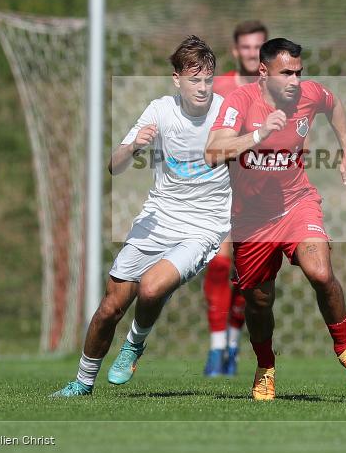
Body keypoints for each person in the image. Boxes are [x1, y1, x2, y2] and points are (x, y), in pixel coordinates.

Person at [50, 35, 231, 397]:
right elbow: (114, 165)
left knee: (151, 287)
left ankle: (134, 344)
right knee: (110, 307)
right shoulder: (160, 110)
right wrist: (134, 145)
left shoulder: (227, 112)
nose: (202, 87)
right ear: (176, 79)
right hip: (157, 219)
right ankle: (82, 383)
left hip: (204, 227)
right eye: (194, 79)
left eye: (208, 79)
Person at [205, 37, 346, 401]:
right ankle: (265, 366)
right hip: (252, 220)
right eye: (286, 73)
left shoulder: (309, 94)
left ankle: (345, 347)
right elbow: (213, 151)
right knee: (258, 302)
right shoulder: (240, 101)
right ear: (263, 72)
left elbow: (335, 105)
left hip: (297, 204)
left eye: (298, 72)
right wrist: (259, 133)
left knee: (320, 271)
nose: (295, 80)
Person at [201, 20, 269, 377]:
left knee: (248, 273)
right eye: (246, 47)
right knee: (218, 264)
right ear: (235, 50)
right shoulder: (220, 87)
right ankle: (216, 350)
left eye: (258, 46)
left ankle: (232, 343)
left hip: (259, 190)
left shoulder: (278, 88)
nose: (252, 53)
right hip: (219, 187)